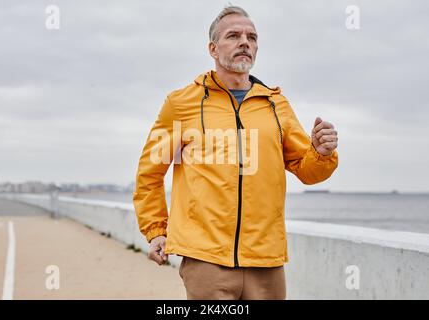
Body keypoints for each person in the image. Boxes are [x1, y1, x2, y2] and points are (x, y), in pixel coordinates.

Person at [133, 6, 339, 300]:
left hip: (266, 261)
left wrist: (320, 152)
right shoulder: (181, 103)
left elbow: (307, 171)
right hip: (206, 260)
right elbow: (149, 173)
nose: (246, 42)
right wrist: (156, 230)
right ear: (213, 49)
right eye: (234, 35)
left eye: (252, 37)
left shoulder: (275, 104)